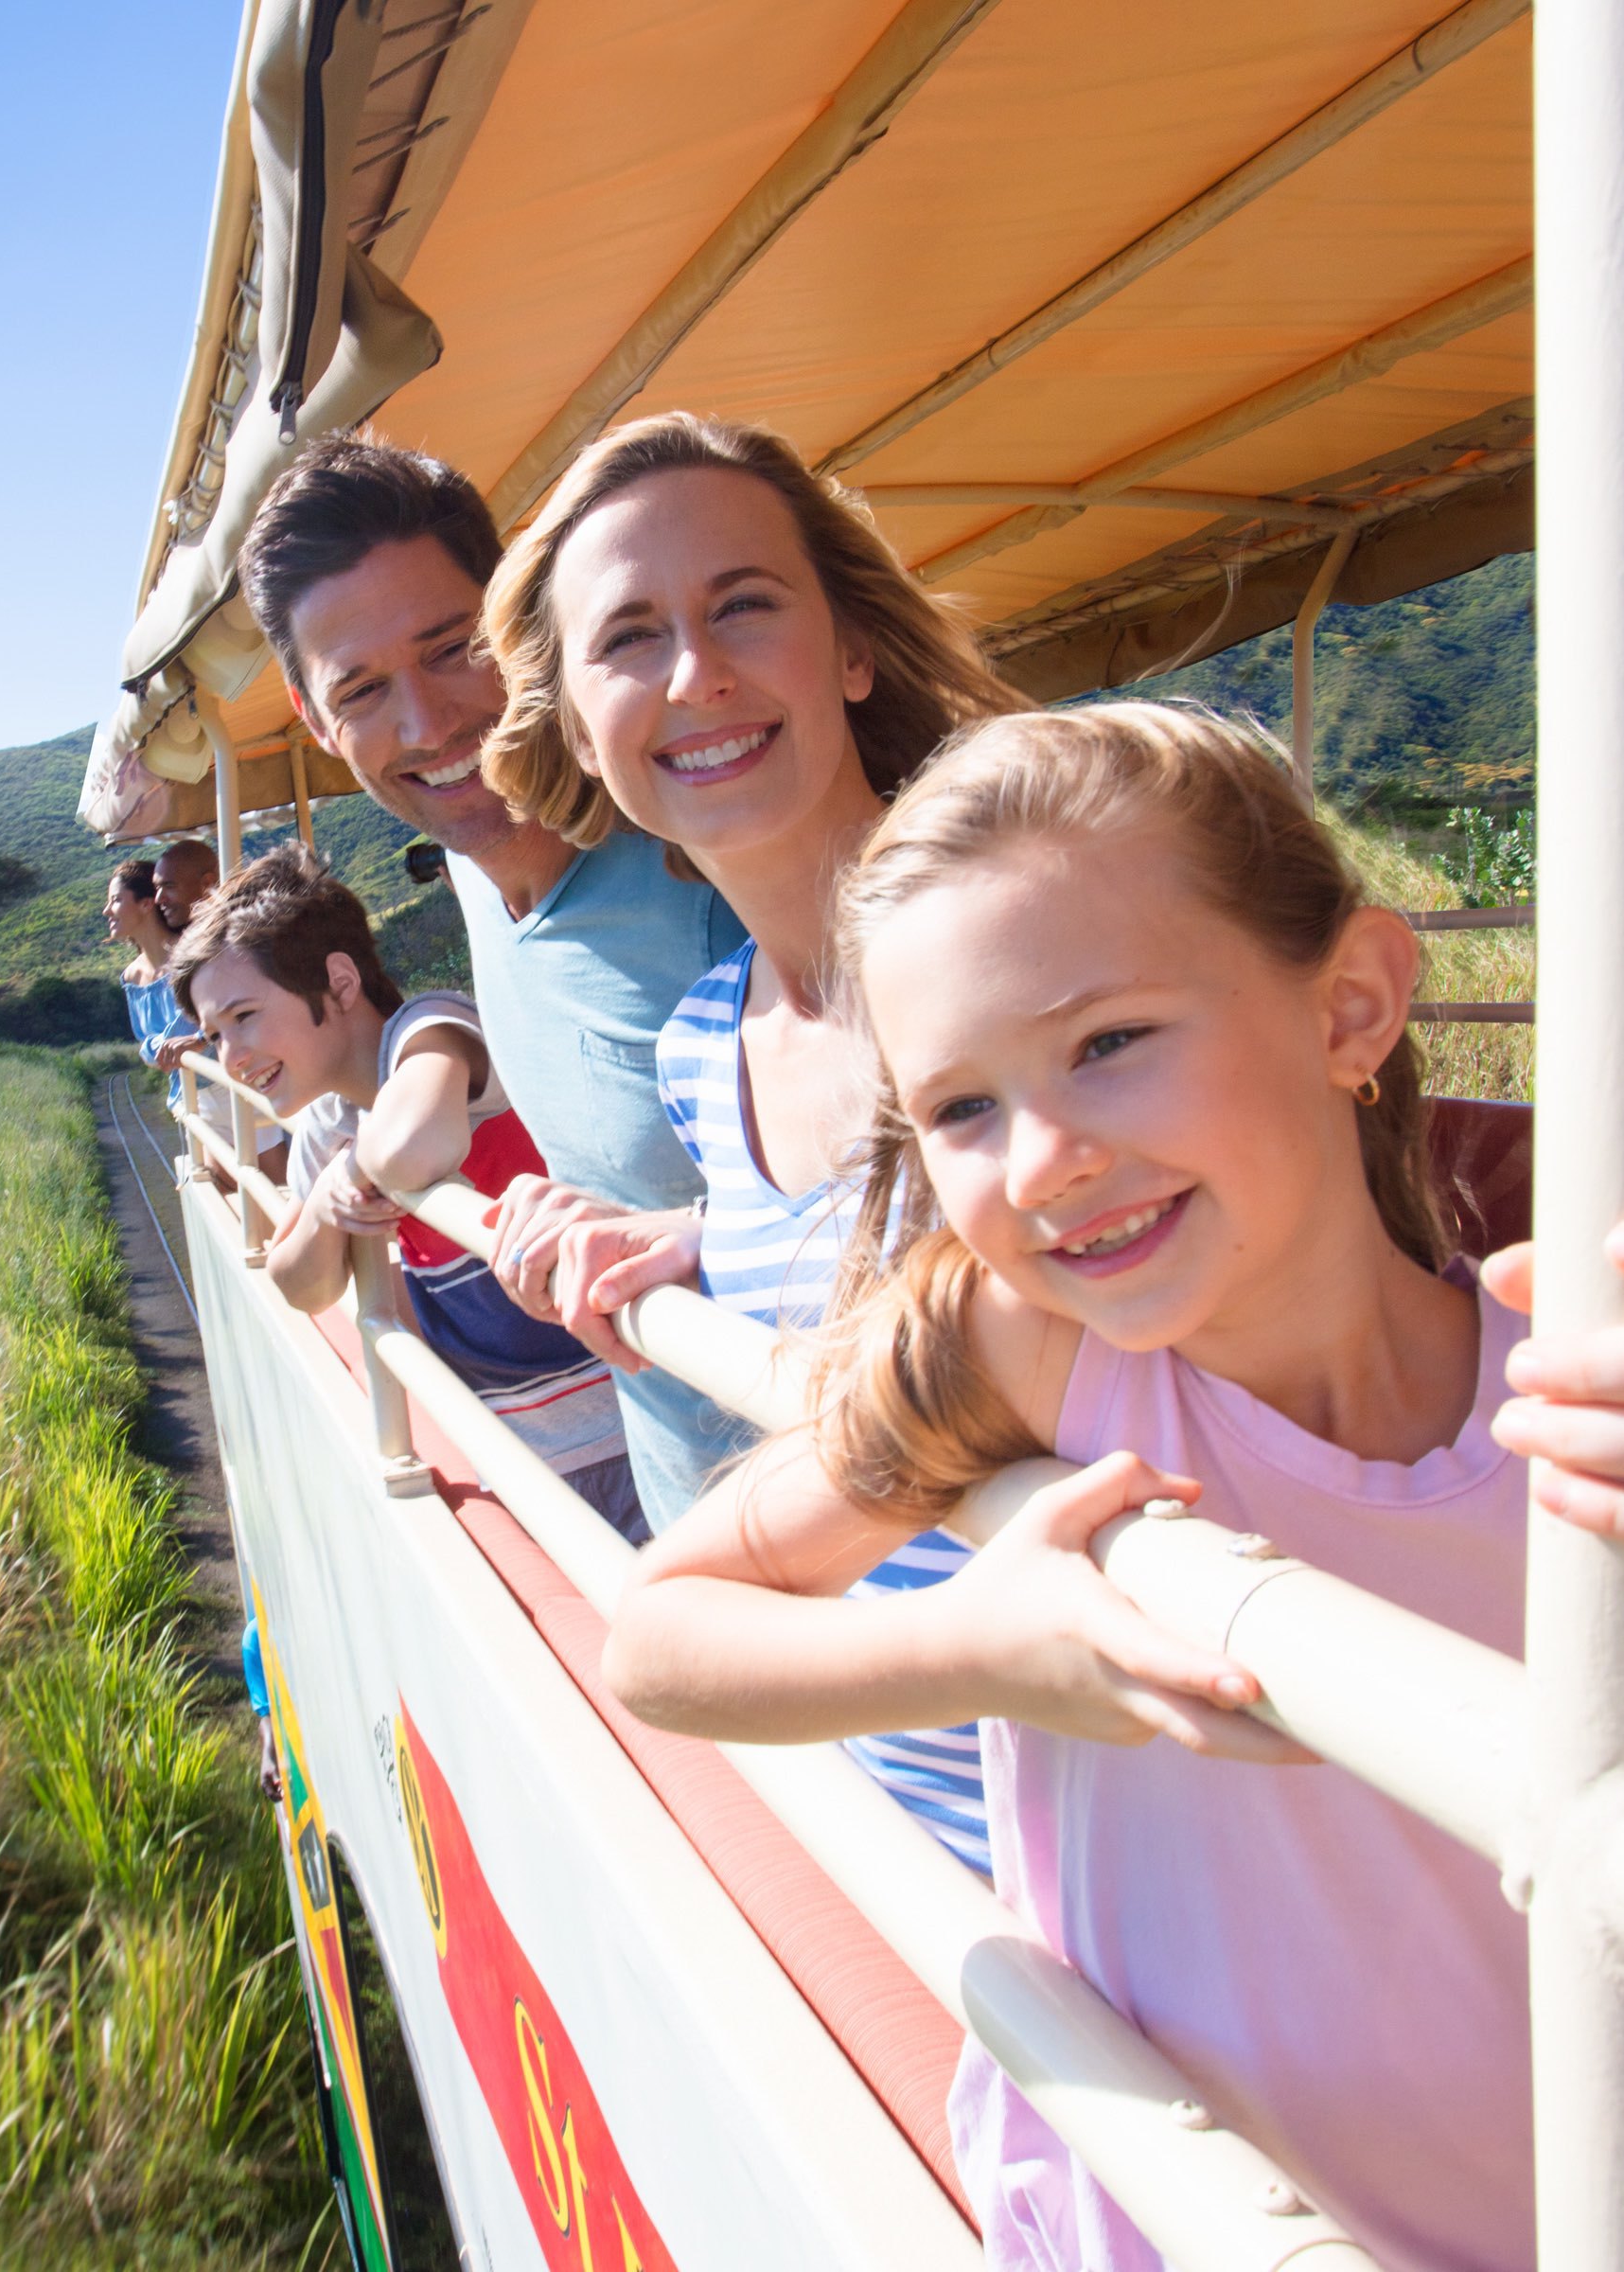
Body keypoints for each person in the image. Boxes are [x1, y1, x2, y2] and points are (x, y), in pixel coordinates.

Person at [599, 702, 1624, 2270]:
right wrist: (975, 1648)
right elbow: (660, 1635)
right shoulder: (1032, 1347)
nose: (1036, 1167)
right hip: (1164, 2227)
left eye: (1107, 1044)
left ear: (1350, 1006)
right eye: (962, 1106)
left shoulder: (1578, 1401)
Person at [475, 409, 1030, 1872]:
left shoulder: (1027, 953)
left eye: (743, 608)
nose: (695, 675)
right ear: (584, 732)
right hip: (907, 1826)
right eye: (630, 639)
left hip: (1142, 1825)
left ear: (850, 649)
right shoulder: (701, 1048)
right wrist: (699, 1244)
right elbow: (854, 1253)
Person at [238, 433, 748, 1535]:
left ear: (523, 619)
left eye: (454, 647)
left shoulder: (704, 865)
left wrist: (709, 1233)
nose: (427, 725)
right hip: (690, 1531)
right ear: (316, 720)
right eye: (364, 690)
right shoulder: (474, 879)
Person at [170, 843, 652, 1543]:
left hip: (631, 1422)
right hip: (523, 1455)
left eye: (244, 1017)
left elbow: (411, 1145)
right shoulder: (330, 1121)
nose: (231, 1057)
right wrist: (332, 1196)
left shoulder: (431, 1031)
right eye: (214, 1035)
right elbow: (298, 1282)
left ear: (339, 982)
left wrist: (346, 1180)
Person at [105, 857, 198, 1066]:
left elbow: (200, 1030)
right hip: (181, 1091)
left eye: (116, 900)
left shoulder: (193, 954)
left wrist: (155, 1047)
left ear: (147, 903)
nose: (107, 910)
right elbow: (149, 1049)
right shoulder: (132, 976)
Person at [153, 836, 220, 933]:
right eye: (157, 887)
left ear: (207, 884)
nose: (158, 899)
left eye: (169, 886)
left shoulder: (238, 938)